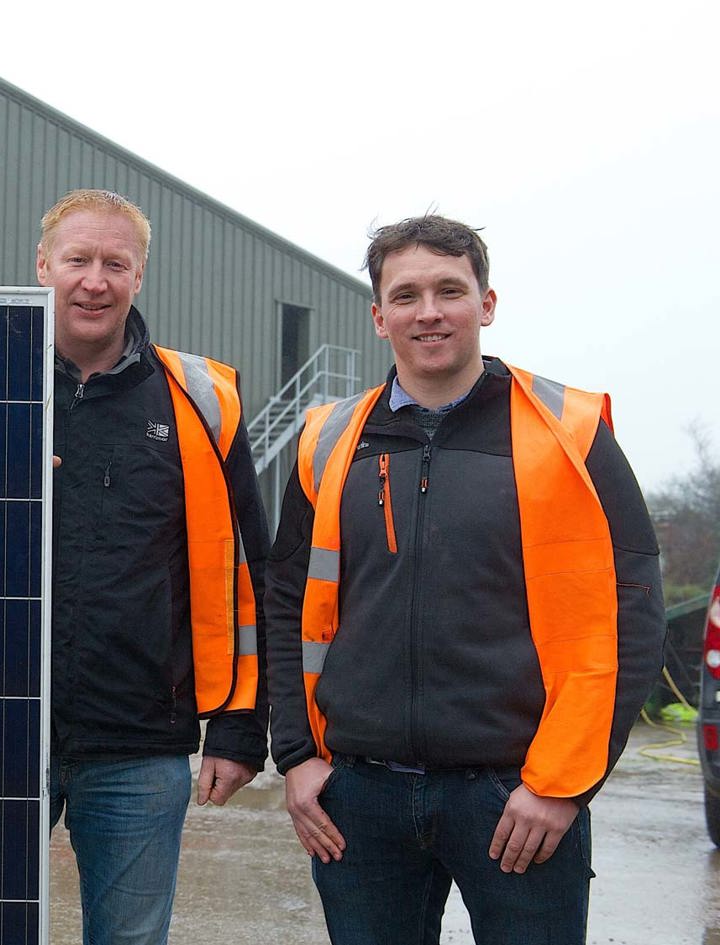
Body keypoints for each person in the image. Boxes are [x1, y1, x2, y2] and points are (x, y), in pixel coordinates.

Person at [265, 215, 665, 944]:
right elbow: (288, 599)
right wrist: (296, 756)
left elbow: (631, 610)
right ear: (379, 315)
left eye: (450, 289)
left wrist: (564, 784)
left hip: (517, 796)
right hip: (360, 796)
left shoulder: (569, 431)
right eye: (407, 294)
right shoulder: (327, 439)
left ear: (486, 303)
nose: (429, 311)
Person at [40, 188, 269, 943]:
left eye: (115, 263)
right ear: (43, 266)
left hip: (141, 740)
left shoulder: (199, 401)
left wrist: (240, 728)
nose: (94, 280)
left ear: (140, 277)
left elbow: (249, 571)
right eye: (78, 260)